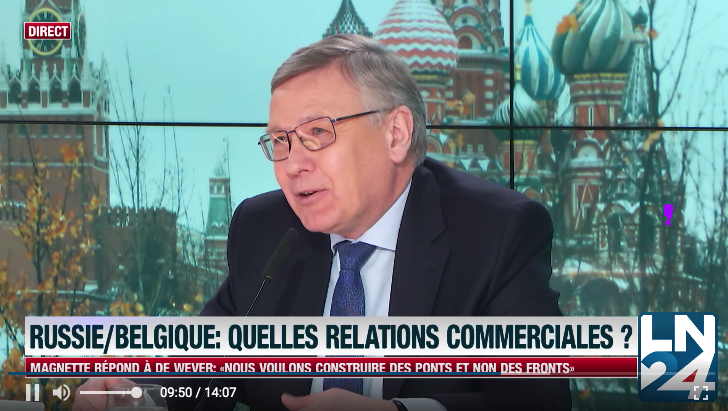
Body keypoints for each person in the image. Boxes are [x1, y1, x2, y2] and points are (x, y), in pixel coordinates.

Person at [74, 34, 571, 411]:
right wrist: (137, 392)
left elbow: (535, 401)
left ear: (395, 134)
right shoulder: (265, 228)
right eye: (280, 141)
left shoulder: (497, 231)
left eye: (317, 132)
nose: (293, 164)